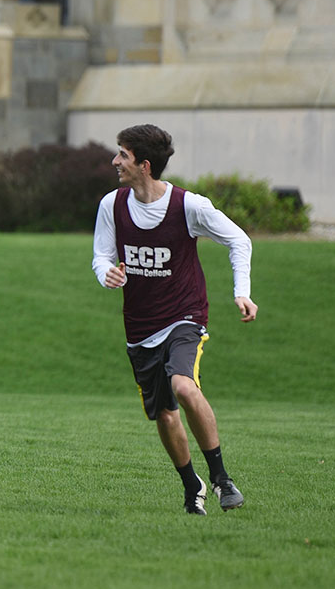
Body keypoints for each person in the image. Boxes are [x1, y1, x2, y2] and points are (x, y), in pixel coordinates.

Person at [92, 124, 255, 514]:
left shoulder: (190, 206)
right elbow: (100, 256)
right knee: (164, 415)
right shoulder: (111, 205)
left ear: (144, 165)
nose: (115, 161)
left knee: (183, 386)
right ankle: (191, 484)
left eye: (123, 155)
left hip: (185, 316)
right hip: (139, 325)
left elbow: (239, 240)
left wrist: (241, 291)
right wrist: (106, 273)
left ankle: (221, 479)